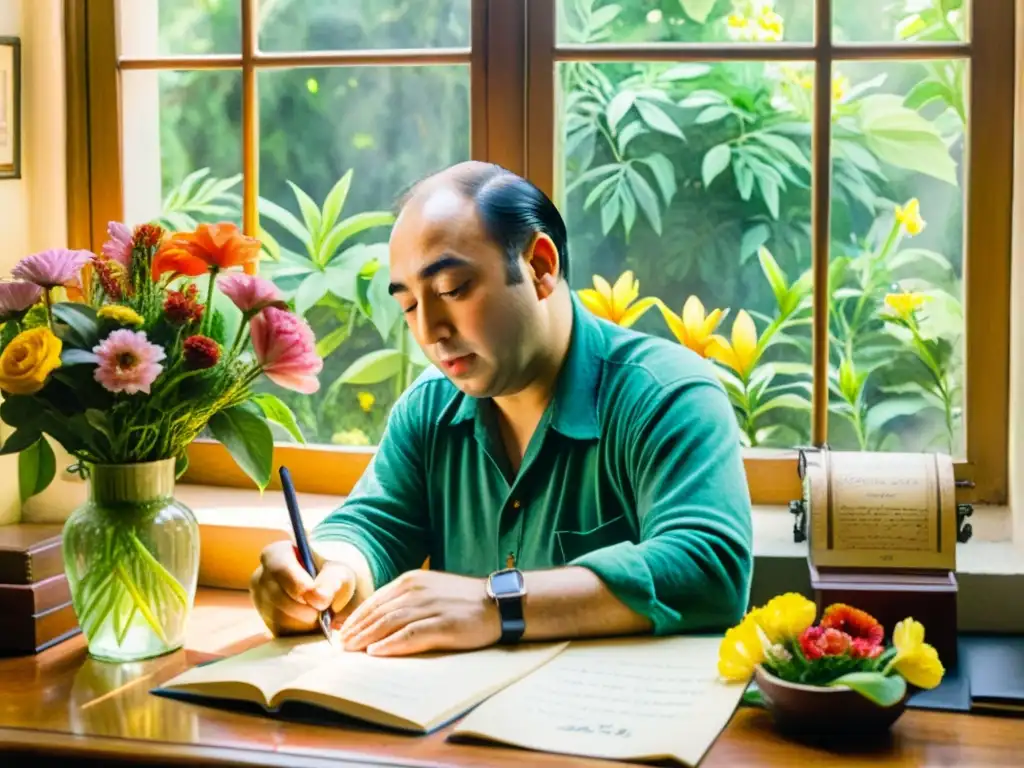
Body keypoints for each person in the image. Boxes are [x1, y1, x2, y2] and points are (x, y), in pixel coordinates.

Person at [250, 161, 753, 657]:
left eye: (452, 290)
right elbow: (374, 528)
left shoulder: (664, 395)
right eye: (409, 305)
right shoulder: (431, 407)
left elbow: (709, 566)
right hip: (451, 729)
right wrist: (325, 571)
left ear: (539, 266)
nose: (430, 331)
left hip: (615, 726)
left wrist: (496, 604)